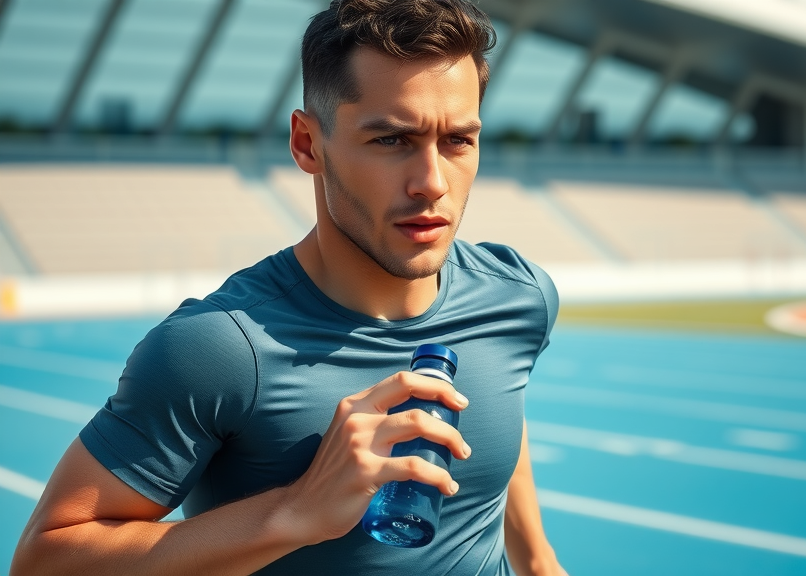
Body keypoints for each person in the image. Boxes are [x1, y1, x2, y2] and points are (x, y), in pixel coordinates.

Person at [11, 1, 566, 574]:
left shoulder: (518, 297)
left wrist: (539, 560)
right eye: (391, 141)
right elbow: (43, 560)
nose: (431, 183)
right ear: (307, 144)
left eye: (457, 141)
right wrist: (296, 511)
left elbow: (503, 400)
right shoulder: (218, 349)